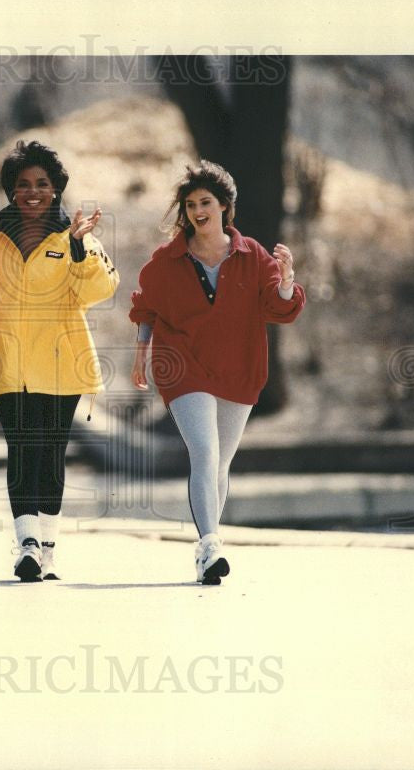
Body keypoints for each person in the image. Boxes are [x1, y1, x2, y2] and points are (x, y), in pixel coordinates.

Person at [129, 160, 304, 585]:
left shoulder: (253, 255)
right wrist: (141, 353)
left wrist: (285, 281)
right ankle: (209, 545)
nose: (196, 211)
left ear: (225, 207)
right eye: (189, 205)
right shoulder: (167, 260)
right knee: (204, 453)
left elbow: (280, 310)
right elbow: (146, 305)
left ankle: (210, 543)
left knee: (221, 463)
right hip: (183, 366)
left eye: (205, 202)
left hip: (238, 368)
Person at [0, 141, 119, 581]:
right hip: (7, 361)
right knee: (21, 449)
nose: (33, 192)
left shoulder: (78, 239)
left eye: (42, 183)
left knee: (51, 451)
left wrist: (78, 248)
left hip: (62, 361)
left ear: (56, 189)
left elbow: (100, 290)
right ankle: (27, 547)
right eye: (23, 185)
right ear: (10, 191)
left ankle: (48, 548)